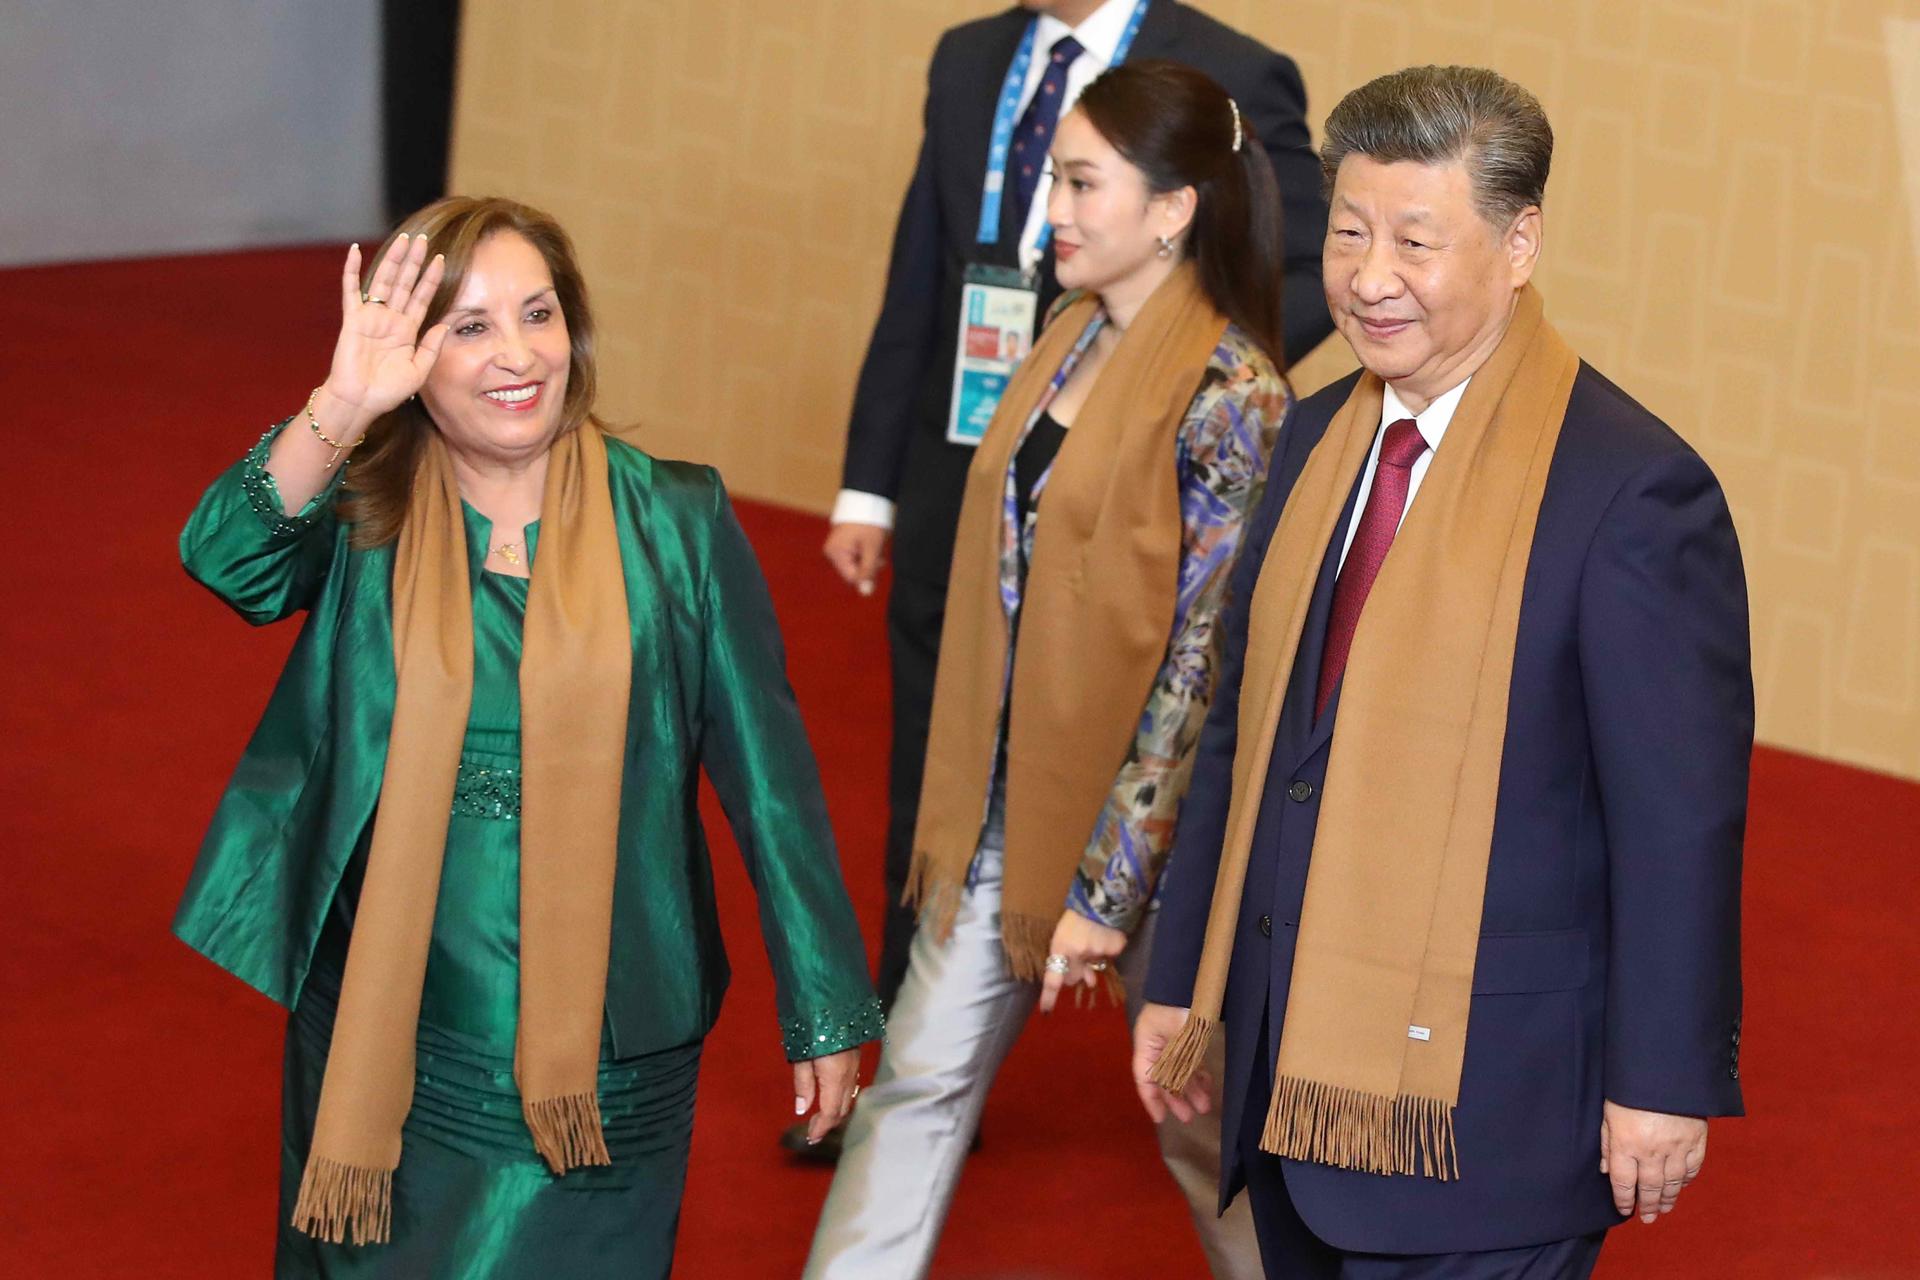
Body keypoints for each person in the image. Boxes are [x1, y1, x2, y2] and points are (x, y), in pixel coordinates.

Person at [173, 196, 883, 1278]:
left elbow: (770, 780)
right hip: (395, 1030)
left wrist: (825, 1002)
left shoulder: (676, 519)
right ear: (415, 355)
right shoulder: (373, 514)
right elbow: (228, 557)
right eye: (469, 326)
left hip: (607, 1050)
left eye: (538, 315)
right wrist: (340, 405)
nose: (517, 355)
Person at [1132, 66, 1751, 1279]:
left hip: (1492, 1116)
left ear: (1521, 244)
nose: (1370, 279)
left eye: (1416, 240)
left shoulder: (1629, 492)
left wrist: (1663, 1080)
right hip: (1292, 1081)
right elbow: (1241, 737)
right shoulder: (1313, 441)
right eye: (1351, 232)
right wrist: (1183, 980)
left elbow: (1676, 820)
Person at [810, 2, 1334, 1161]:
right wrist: (870, 485)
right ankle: (926, 1051)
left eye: (1080, 185)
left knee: (1195, 1072)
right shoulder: (967, 57)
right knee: (939, 772)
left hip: (1146, 492)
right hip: (994, 461)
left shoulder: (1238, 73)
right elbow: (925, 275)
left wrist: (1170, 375)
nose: (1060, 211)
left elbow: (1299, 270)